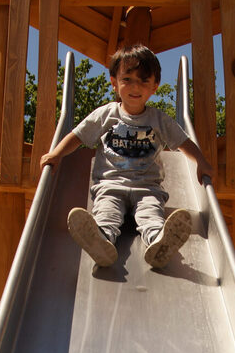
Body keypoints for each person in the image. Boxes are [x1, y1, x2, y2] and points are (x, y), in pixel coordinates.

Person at [39, 44, 215, 268]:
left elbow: (183, 142)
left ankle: (159, 243)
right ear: (114, 82)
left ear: (154, 87)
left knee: (151, 215)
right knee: (106, 212)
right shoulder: (107, 114)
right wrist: (56, 154)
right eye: (128, 79)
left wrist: (201, 161)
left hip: (147, 187)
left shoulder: (159, 120)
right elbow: (78, 135)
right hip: (110, 185)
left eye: (143, 81)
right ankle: (101, 241)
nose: (135, 86)